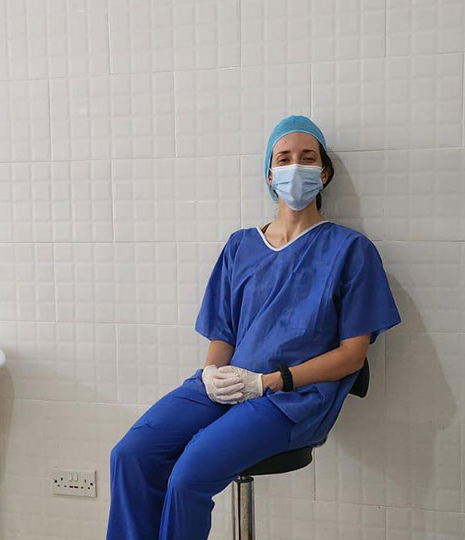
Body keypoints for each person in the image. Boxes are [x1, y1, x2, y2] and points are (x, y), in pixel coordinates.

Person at [106, 115, 401, 540]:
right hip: (228, 384)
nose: (294, 166)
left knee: (188, 475)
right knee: (130, 455)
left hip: (291, 399)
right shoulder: (240, 246)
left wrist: (268, 382)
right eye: (283, 158)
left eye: (307, 157)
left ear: (324, 172)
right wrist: (212, 375)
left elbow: (352, 355)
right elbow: (222, 332)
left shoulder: (351, 251)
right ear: (269, 173)